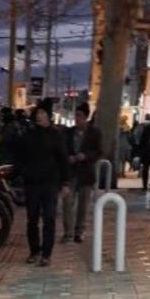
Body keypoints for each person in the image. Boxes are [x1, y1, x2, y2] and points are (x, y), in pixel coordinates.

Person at [18, 99, 70, 267]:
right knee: (32, 219)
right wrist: (23, 173)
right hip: (32, 184)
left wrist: (65, 183)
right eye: (38, 113)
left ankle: (46, 254)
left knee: (49, 219)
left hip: (50, 184)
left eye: (43, 113)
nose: (39, 116)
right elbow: (20, 156)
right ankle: (34, 251)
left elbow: (63, 160)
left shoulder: (56, 135)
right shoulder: (29, 135)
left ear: (48, 115)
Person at [62, 104, 103, 244]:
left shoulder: (94, 133)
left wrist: (85, 156)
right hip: (71, 173)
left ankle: (79, 231)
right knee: (67, 203)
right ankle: (68, 232)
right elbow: (62, 150)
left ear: (86, 117)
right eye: (76, 115)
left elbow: (98, 151)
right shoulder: (68, 133)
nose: (77, 119)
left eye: (80, 116)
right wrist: (68, 158)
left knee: (83, 205)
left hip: (86, 174)